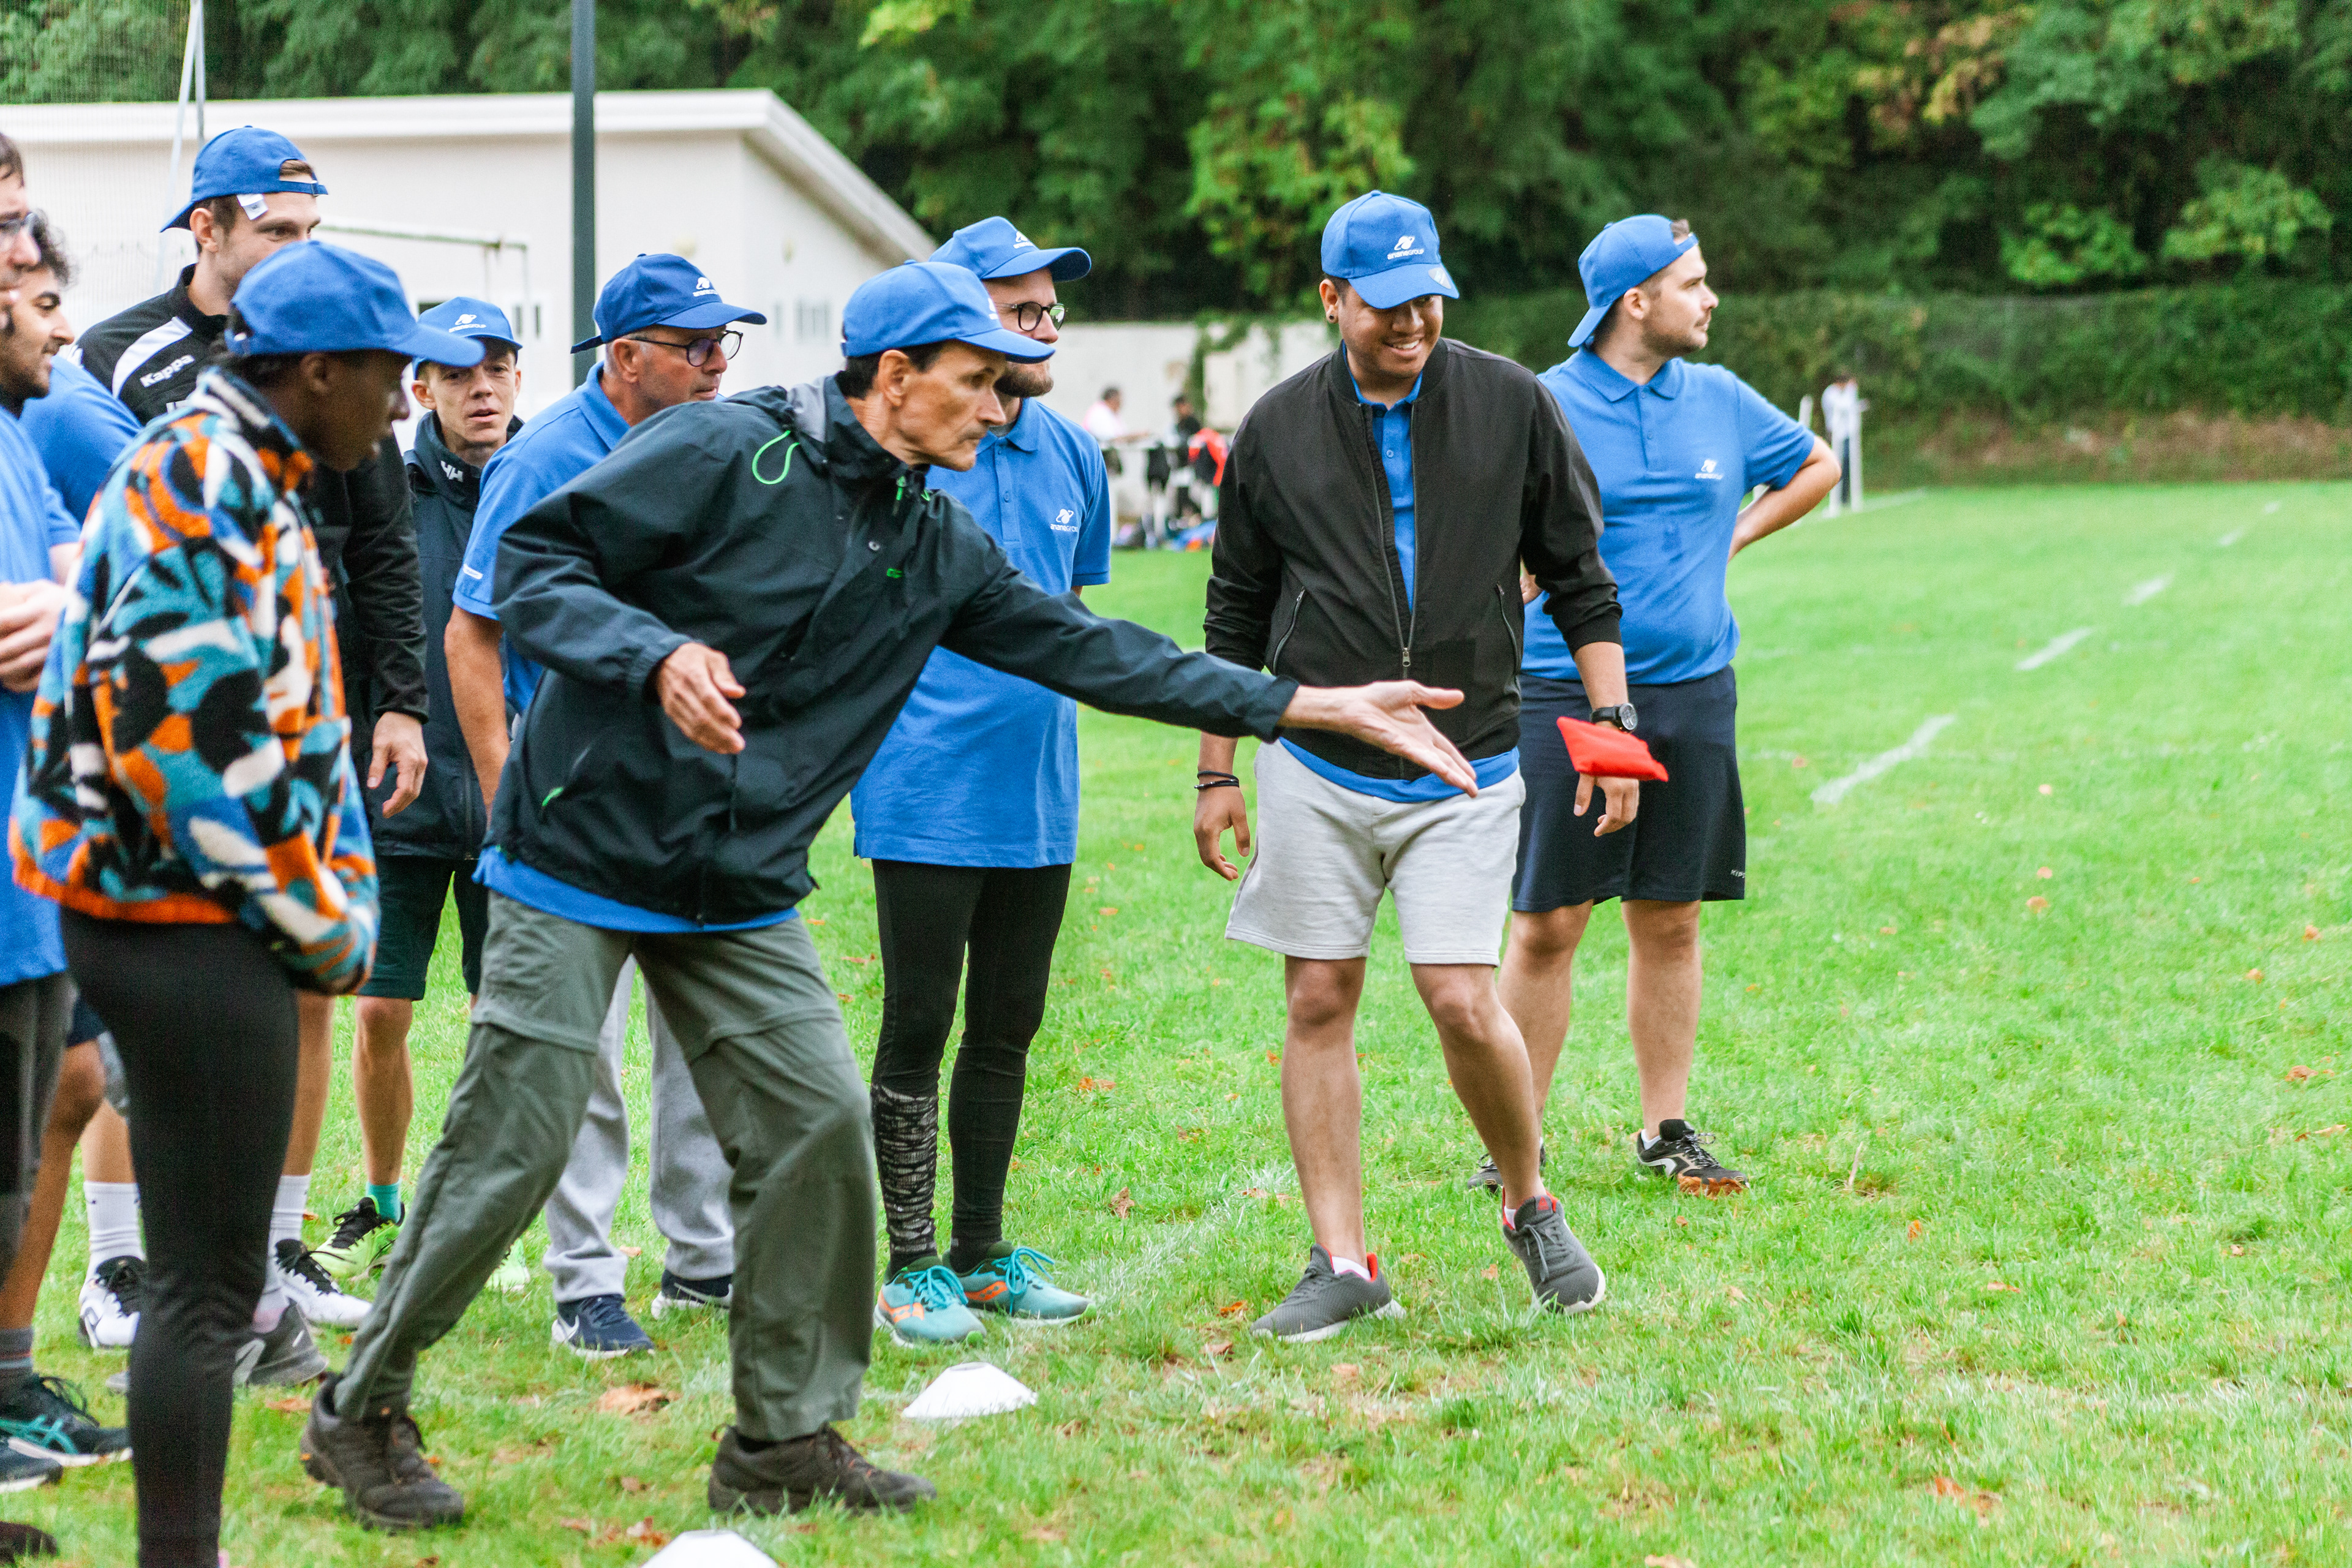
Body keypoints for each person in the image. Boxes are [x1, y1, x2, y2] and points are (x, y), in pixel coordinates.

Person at [301, 258, 1480, 1529]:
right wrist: (654, 655)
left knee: (818, 1132)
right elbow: (530, 561)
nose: (1002, 405)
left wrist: (1301, 703)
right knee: (510, 1143)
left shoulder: (932, 543)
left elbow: (1095, 651)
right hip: (582, 848)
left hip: (737, 880)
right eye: (979, 383)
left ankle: (782, 1433)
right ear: (897, 376)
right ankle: (359, 1408)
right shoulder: (723, 450)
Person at [13, 241, 473, 1568]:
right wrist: (320, 923)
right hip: (179, 918)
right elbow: (176, 749)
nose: (402, 407)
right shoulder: (205, 478)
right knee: (209, 1285)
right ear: (315, 369)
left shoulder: (252, 466)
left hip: (197, 914)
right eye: (393, 378)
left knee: (213, 1281)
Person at [1196, 190, 1641, 1342]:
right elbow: (1235, 612)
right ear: (1333, 300)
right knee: (1318, 995)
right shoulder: (1277, 430)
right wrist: (1216, 773)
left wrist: (1611, 726)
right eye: (1388, 304)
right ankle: (1341, 1258)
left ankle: (1528, 1201)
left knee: (1459, 994)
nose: (1415, 322)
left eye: (1430, 298)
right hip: (1322, 759)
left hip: (1469, 757)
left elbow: (1581, 578)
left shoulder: (1511, 402)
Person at [77, 123, 428, 1336]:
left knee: (308, 997)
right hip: (179, 727)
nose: (292, 253)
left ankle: (276, 1245)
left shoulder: (348, 363)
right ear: (207, 227)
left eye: (309, 234)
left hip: (305, 703)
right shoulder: (124, 360)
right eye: (274, 230)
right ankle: (123, 1259)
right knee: (171, 1009)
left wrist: (398, 699)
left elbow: (381, 541)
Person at [442, 254, 757, 1351]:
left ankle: (704, 1260)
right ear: (622, 358)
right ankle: (584, 1279)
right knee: (583, 1050)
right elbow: (472, 636)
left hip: (692, 788)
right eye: (694, 346)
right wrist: (501, 793)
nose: (718, 363)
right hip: (571, 795)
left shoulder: (718, 446)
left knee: (699, 1031)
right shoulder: (543, 460)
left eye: (727, 343)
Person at [1495, 215, 1838, 1199]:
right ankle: (1515, 1136)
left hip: (1693, 692)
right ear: (1634, 302)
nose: (1711, 298)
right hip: (1563, 695)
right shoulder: (1543, 404)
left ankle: (1665, 1127)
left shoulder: (1721, 399)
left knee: (1672, 916)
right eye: (1692, 283)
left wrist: (1735, 536)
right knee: (1551, 922)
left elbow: (1816, 462)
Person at [850, 217, 1105, 1346]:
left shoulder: (1073, 454)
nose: (1046, 329)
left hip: (1039, 790)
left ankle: (982, 1253)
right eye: (1023, 311)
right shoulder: (909, 453)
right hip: (924, 786)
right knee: (918, 1025)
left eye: (1052, 310)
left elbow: (1079, 617)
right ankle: (910, 1268)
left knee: (1009, 1027)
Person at [304, 300, 522, 1286]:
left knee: (501, 1017)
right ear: (422, 388)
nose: (484, 389)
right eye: (461, 373)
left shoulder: (546, 476)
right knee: (379, 1012)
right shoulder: (379, 478)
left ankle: (485, 1207)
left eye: (501, 369)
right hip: (398, 792)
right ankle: (384, 1196)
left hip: (511, 800)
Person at [0, 210, 135, 1480]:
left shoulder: (21, 431)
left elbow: (69, 586)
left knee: (69, 1087)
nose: (57, 323)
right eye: (38, 295)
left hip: (36, 856)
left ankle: (11, 1371)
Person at [0, 135, 85, 1553]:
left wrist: (68, 609)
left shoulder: (20, 431)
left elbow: (85, 560)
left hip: (28, 889)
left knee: (9, 1176)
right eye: (21, 265)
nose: (47, 297)